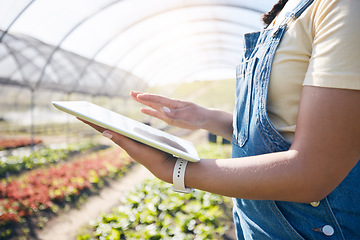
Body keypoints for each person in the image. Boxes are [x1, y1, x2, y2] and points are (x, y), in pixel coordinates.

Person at [80, 0, 360, 239]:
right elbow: (278, 129)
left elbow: (313, 173)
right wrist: (206, 117)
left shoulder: (342, 8)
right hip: (258, 225)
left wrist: (176, 170)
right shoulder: (285, 12)